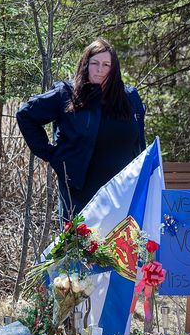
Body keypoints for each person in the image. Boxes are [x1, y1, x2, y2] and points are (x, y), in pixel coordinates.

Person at [17, 38, 146, 220]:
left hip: (123, 191)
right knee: (82, 247)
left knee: (122, 247)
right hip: (80, 192)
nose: (100, 69)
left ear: (114, 68)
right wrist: (50, 154)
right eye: (94, 63)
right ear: (85, 64)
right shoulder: (67, 94)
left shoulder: (129, 97)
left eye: (106, 64)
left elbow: (139, 142)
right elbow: (26, 114)